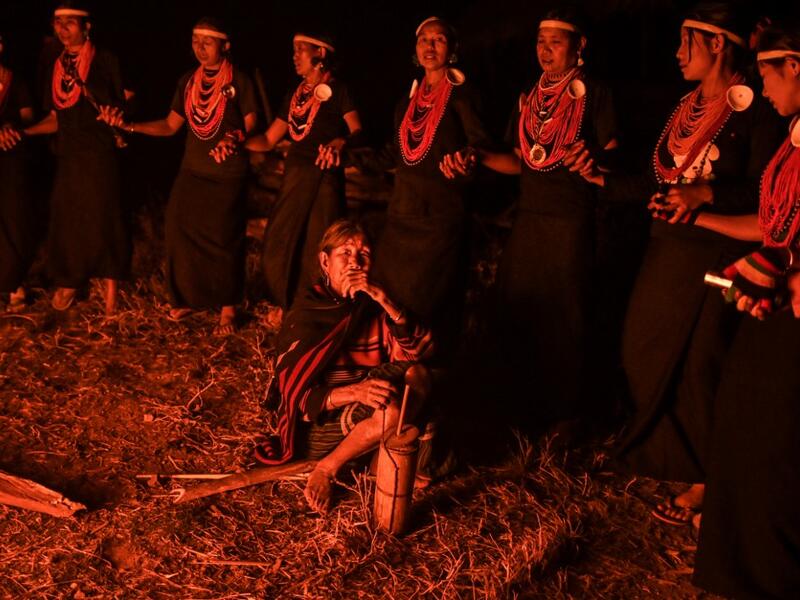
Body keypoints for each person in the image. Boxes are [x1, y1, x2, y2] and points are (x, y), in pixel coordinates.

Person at [570, 2, 784, 526]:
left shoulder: (756, 110)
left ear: (716, 44)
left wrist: (707, 193)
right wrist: (605, 180)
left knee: (701, 362)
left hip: (718, 251)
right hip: (668, 248)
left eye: (686, 42)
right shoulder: (686, 104)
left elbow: (768, 192)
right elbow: (660, 178)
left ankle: (710, 477)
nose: (676, 52)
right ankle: (670, 453)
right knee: (641, 347)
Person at [459, 8, 619, 428]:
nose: (545, 50)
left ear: (579, 46)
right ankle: (519, 408)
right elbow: (520, 159)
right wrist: (476, 156)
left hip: (570, 218)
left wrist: (595, 159)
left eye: (556, 42)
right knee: (517, 307)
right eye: (540, 42)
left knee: (565, 316)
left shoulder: (596, 93)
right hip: (530, 218)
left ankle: (563, 416)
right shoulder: (529, 96)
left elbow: (614, 153)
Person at [691, 21, 800, 598]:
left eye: (766, 70)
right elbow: (775, 224)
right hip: (779, 307)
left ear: (796, 66)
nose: (763, 82)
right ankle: (739, 569)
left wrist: (786, 275)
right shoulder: (793, 135)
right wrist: (699, 219)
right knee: (740, 419)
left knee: (779, 447)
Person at [255, 220, 433, 513]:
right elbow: (295, 395)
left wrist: (386, 301)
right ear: (325, 261)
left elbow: (417, 355)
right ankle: (327, 468)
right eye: (345, 253)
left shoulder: (374, 306)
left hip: (372, 405)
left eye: (364, 254)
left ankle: (376, 459)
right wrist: (356, 392)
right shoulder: (309, 311)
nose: (355, 261)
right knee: (393, 411)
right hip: (320, 424)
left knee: (420, 378)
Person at [100, 18, 258, 334]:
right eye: (195, 41)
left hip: (226, 172)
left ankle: (228, 306)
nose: (199, 47)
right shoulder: (187, 81)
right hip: (193, 169)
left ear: (225, 46)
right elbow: (172, 126)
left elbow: (252, 122)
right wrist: (129, 126)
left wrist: (233, 137)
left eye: (207, 42)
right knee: (177, 227)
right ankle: (186, 298)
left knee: (223, 237)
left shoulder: (239, 80)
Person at [350, 16, 490, 354]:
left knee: (430, 301)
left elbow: (481, 147)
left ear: (453, 49)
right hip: (403, 215)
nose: (430, 46)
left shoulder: (462, 96)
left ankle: (427, 371)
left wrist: (468, 159)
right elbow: (395, 154)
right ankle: (385, 359)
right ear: (415, 49)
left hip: (441, 217)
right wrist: (348, 156)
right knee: (389, 292)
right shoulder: (407, 103)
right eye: (423, 40)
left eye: (438, 39)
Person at [7, 2, 132, 315]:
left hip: (100, 151)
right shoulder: (55, 64)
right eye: (57, 22)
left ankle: (111, 289)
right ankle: (71, 279)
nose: (62, 29)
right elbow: (55, 117)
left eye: (70, 23)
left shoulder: (106, 59)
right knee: (68, 216)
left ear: (86, 26)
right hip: (69, 152)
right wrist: (23, 133)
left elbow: (127, 96)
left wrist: (121, 115)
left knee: (105, 216)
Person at [245, 33, 362, 312]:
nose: (294, 56)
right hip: (295, 178)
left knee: (320, 244)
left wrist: (341, 141)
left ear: (320, 52)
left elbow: (358, 130)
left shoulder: (340, 91)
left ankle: (319, 309)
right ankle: (284, 304)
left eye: (301, 50)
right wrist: (235, 140)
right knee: (280, 239)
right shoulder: (295, 96)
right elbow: (268, 140)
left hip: (325, 177)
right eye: (293, 50)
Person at [0, 32, 36, 312]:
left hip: (11, 156)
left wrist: (10, 127)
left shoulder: (16, 80)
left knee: (13, 218)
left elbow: (28, 117)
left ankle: (15, 283)